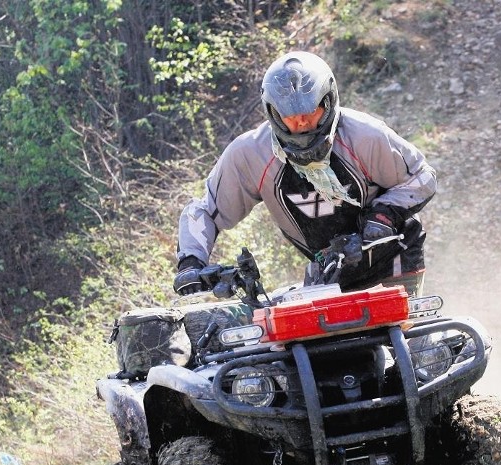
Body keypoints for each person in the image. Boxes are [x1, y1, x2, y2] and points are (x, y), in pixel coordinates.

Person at [174, 50, 436, 297]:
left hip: (391, 255)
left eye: (310, 113)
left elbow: (421, 177)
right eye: (290, 117)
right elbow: (206, 210)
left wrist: (382, 215)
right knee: (318, 343)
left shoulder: (364, 135)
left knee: (401, 335)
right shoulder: (251, 155)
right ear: (273, 113)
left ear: (328, 101)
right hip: (329, 269)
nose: (301, 124)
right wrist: (191, 262)